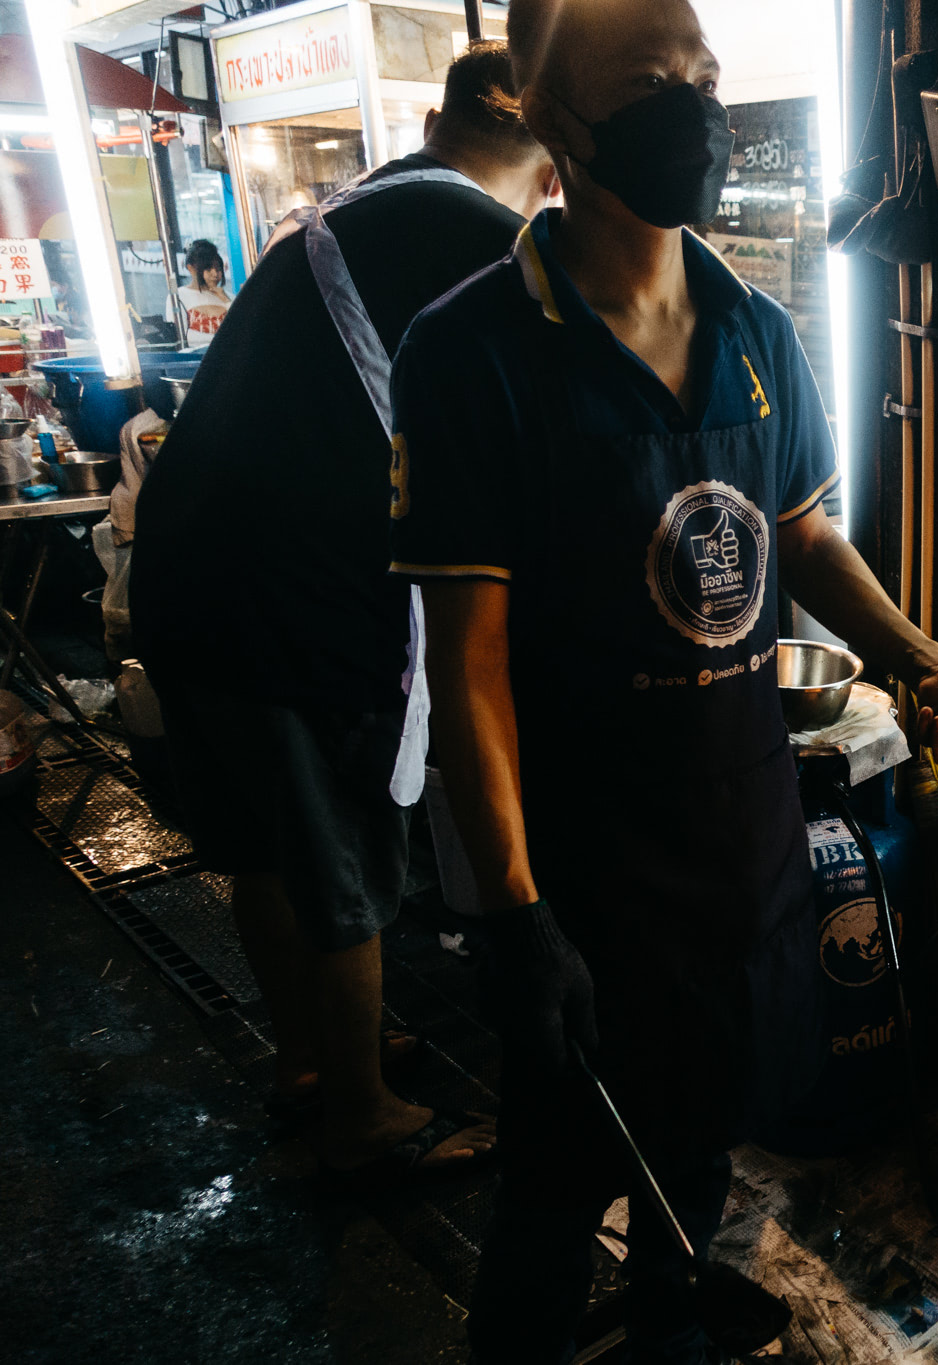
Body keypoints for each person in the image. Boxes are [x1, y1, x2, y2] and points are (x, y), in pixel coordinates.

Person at [385, 1, 938, 1357]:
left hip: (742, 841)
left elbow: (802, 533)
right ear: (554, 121)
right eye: (650, 82)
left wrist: (926, 660)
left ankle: (668, 1314)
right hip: (585, 863)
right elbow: (467, 665)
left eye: (703, 76)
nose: (695, 107)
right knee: (555, 1187)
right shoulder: (471, 348)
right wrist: (514, 914)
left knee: (709, 1131)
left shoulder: (758, 329)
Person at [130, 42, 560, 1185]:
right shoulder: (484, 237)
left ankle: (311, 1062)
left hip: (179, 568)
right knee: (343, 853)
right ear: (551, 168)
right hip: (291, 597)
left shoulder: (362, 204)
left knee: (263, 845)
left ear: (436, 125)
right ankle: (364, 1116)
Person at [171, 239, 234, 346]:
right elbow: (182, 337)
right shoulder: (178, 297)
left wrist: (226, 300)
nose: (215, 274)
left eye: (218, 269)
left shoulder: (228, 297)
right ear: (191, 268)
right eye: (208, 269)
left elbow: (241, 328)